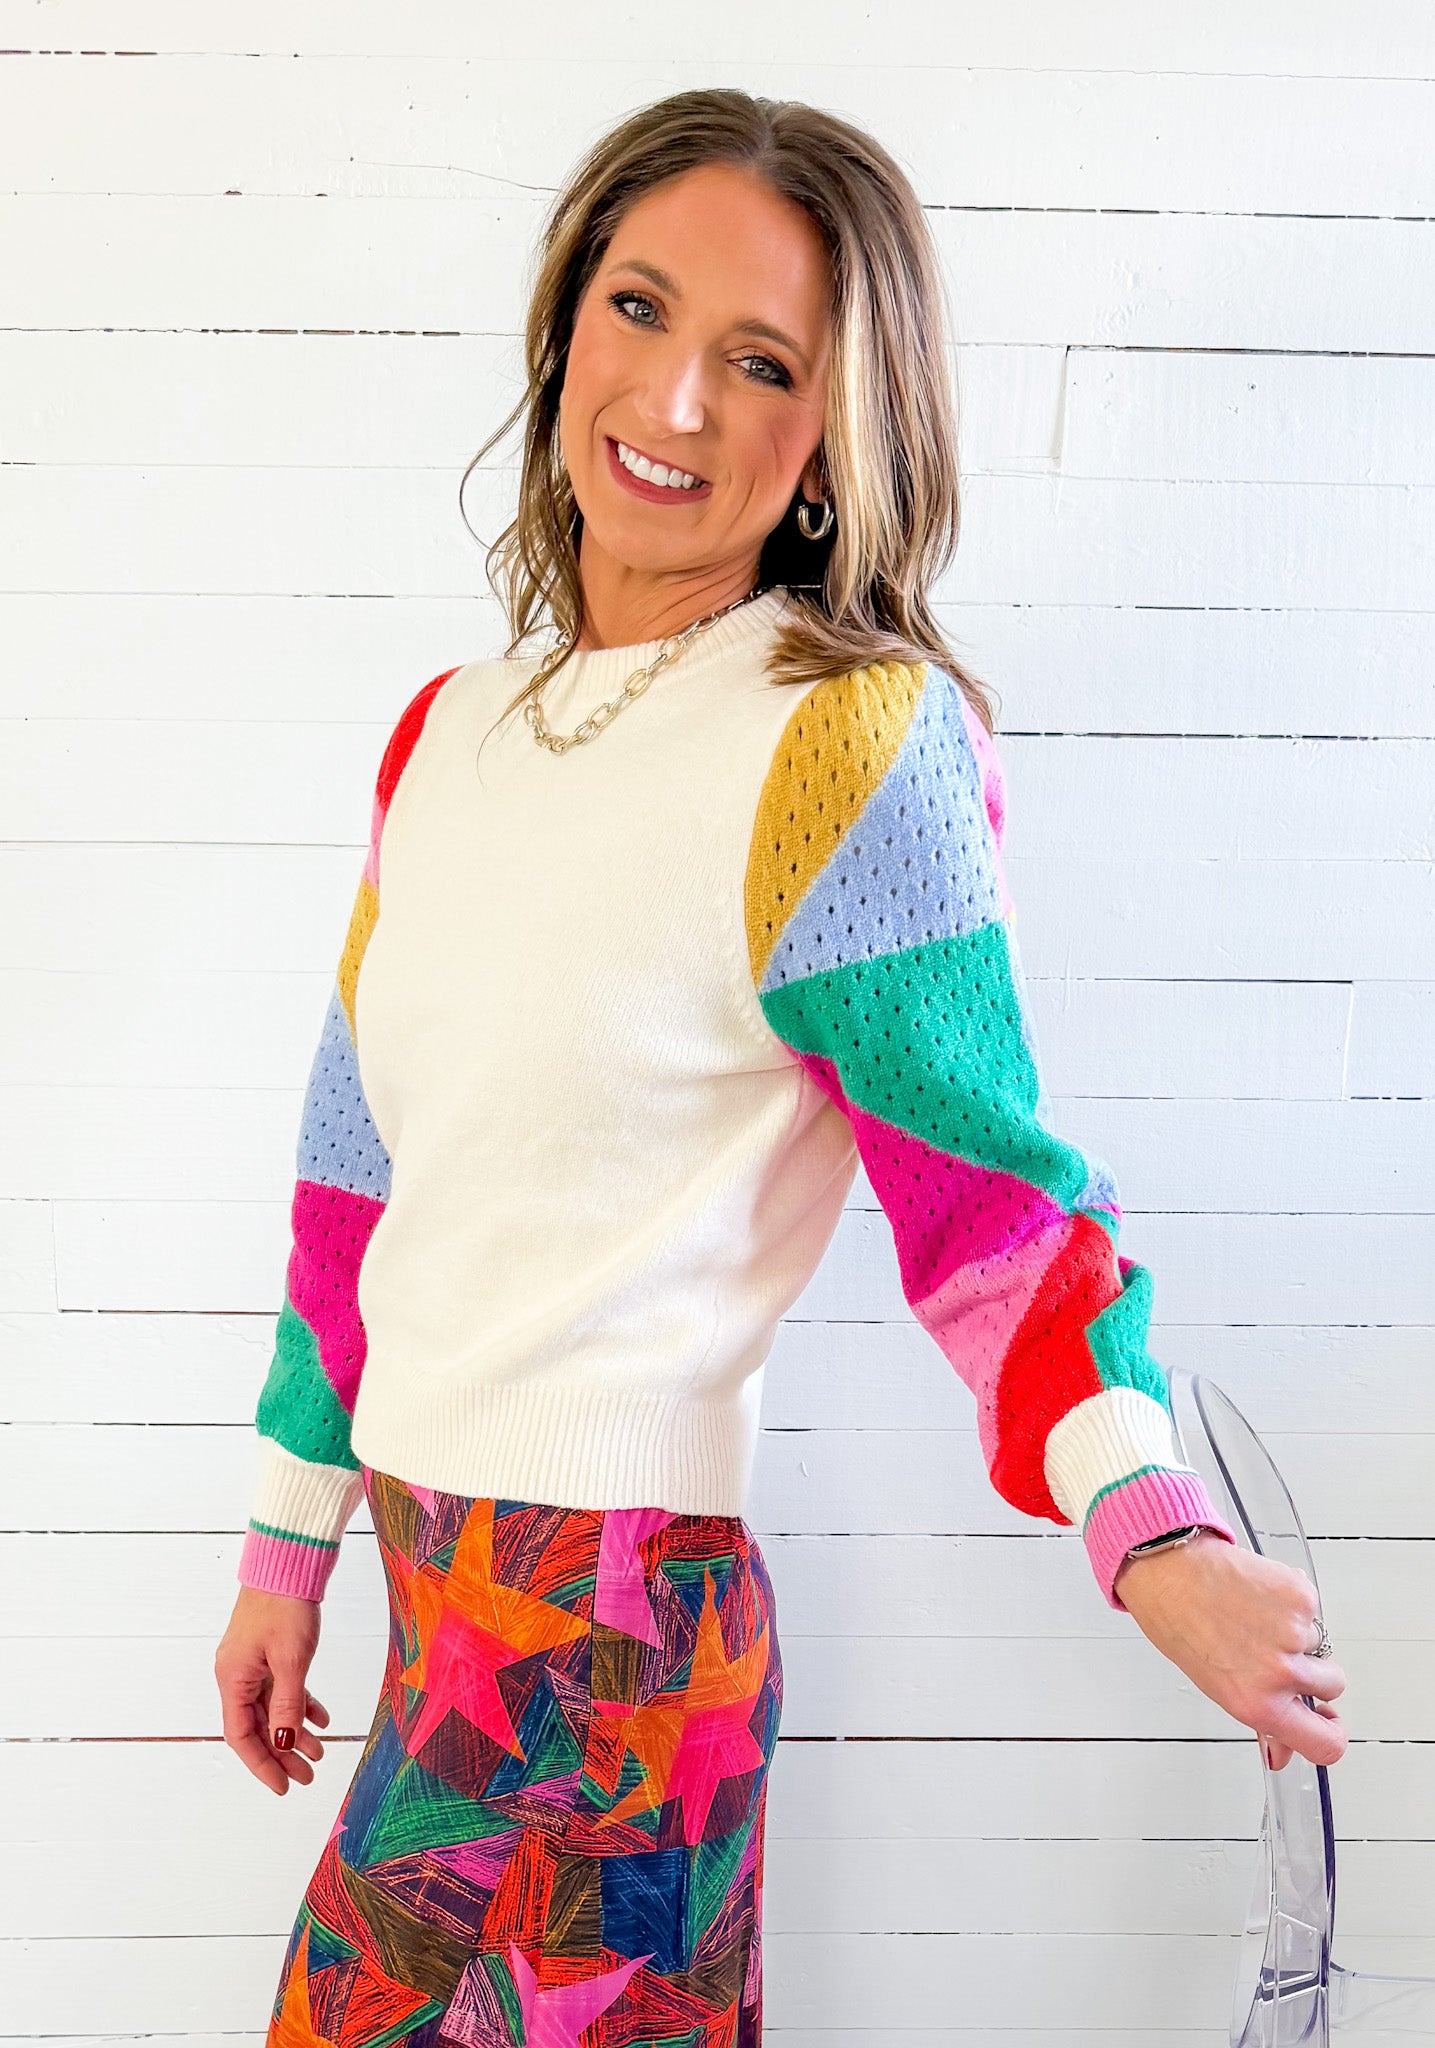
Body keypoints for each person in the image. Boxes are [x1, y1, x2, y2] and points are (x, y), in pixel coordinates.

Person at [214, 87, 1348, 2047]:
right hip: (436, 1606)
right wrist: (284, 1542)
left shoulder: (839, 742)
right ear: (565, 319)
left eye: (762, 361)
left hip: (610, 1651)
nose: (674, 398)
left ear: (832, 431)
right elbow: (358, 1174)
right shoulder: (448, 734)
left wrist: (1144, 1525)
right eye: (639, 310)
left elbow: (990, 1203)